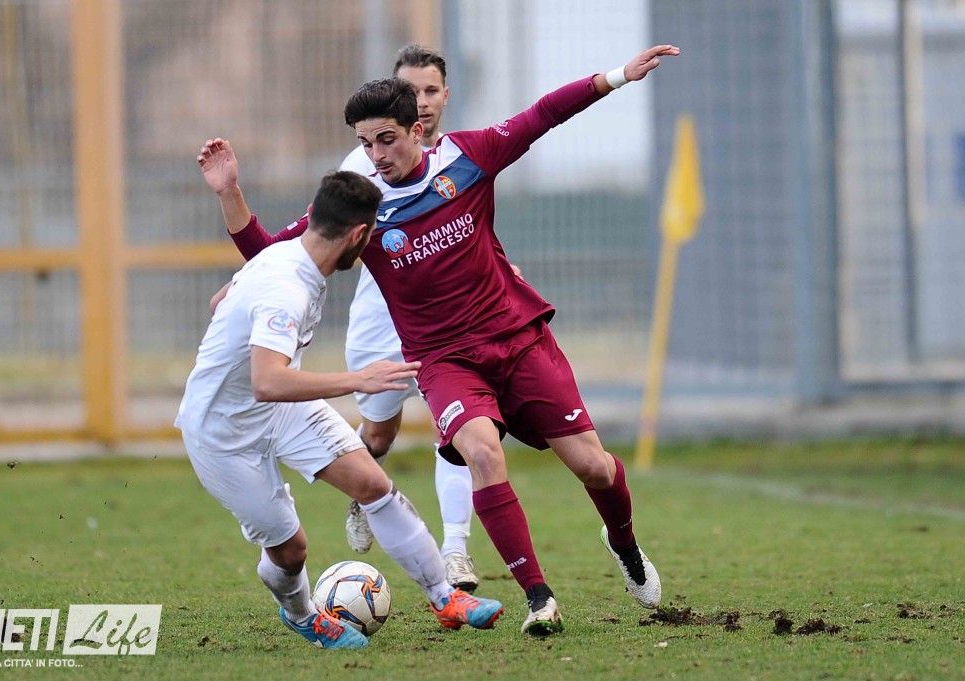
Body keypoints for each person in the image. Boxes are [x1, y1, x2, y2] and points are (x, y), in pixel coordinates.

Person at [219, 44, 681, 636]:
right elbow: (272, 254)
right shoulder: (360, 204)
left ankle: (624, 544)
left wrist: (615, 77)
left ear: (417, 129)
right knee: (482, 453)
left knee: (594, 467)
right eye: (365, 143)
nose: (376, 155)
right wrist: (229, 194)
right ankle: (539, 599)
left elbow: (542, 115)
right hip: (442, 361)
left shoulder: (468, 156)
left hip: (516, 337)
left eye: (386, 139)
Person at [177, 169, 504, 649]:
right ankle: (302, 615)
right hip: (223, 433)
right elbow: (267, 382)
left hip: (280, 411)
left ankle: (445, 597)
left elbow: (218, 301)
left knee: (373, 484)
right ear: (358, 235)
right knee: (291, 550)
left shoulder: (286, 260)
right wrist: (359, 379)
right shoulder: (287, 288)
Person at [336, 45, 480, 593]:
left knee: (459, 427)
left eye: (430, 90)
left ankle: (456, 552)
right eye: (410, 91)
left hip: (449, 324)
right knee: (379, 432)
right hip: (381, 321)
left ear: (445, 96)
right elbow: (319, 239)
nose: (421, 101)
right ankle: (363, 486)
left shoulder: (459, 159)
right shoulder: (363, 165)